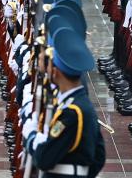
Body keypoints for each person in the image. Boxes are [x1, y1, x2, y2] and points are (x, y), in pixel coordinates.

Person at [22, 28, 106, 177]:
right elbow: (99, 156)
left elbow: (44, 159)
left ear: (56, 71)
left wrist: (31, 136)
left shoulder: (72, 112)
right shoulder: (78, 104)